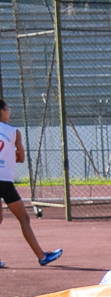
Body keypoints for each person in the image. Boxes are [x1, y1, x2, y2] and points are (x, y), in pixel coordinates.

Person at [0, 100, 62, 268]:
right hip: (4, 181)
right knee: (23, 218)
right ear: (2, 111)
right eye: (8, 108)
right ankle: (42, 256)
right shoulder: (13, 132)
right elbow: (21, 158)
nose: (10, 111)